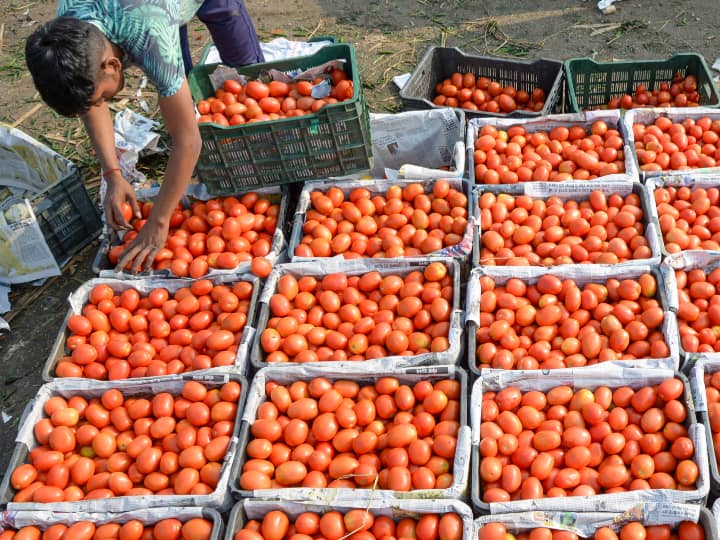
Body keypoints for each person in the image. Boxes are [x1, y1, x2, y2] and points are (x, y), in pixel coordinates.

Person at [25, 0, 264, 272]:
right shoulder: (66, 33)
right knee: (173, 71)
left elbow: (188, 140)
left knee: (227, 24)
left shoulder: (150, 33)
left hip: (151, 16)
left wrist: (159, 222)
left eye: (103, 96)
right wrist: (112, 173)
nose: (102, 101)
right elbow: (89, 103)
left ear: (113, 64)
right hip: (149, 15)